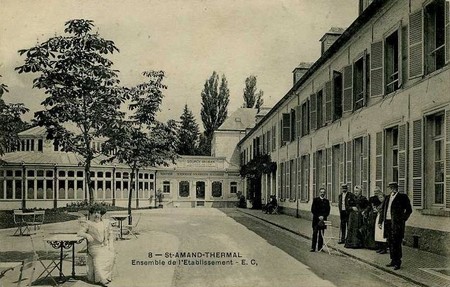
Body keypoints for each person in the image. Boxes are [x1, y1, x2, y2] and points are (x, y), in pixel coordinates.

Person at [78, 205, 116, 286]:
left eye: (98, 213)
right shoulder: (88, 223)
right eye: (94, 213)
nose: (96, 215)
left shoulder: (106, 222)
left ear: (101, 214)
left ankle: (107, 276)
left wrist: (111, 245)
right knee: (99, 258)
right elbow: (80, 232)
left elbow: (111, 234)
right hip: (94, 246)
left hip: (104, 245)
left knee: (111, 256)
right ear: (91, 214)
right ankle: (101, 279)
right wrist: (88, 235)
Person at [379, 182, 412, 270]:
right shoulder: (387, 197)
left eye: (394, 187)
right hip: (388, 223)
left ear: (397, 188)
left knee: (397, 242)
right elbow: (383, 210)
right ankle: (393, 260)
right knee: (390, 242)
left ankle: (398, 262)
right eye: (391, 187)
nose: (392, 189)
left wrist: (403, 219)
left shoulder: (402, 197)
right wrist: (380, 221)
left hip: (397, 224)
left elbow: (409, 210)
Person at [310, 187, 330, 252]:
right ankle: (313, 248)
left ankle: (320, 248)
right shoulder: (315, 200)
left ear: (325, 193)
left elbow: (328, 211)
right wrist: (318, 216)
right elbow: (313, 210)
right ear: (319, 193)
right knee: (315, 233)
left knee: (321, 234)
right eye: (321, 192)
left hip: (323, 220)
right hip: (316, 220)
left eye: (323, 192)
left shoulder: (326, 201)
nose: (322, 194)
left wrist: (323, 216)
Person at [373, 187, 388, 254]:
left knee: (382, 235)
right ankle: (380, 248)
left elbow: (382, 212)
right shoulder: (381, 204)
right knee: (379, 234)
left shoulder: (385, 204)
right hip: (379, 218)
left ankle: (384, 249)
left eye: (381, 197)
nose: (380, 199)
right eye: (379, 198)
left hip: (382, 220)